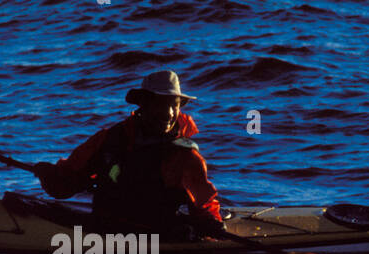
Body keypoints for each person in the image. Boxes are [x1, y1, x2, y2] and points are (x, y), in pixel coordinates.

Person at [32, 70, 226, 239]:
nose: (168, 113)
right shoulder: (108, 139)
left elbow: (204, 205)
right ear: (143, 105)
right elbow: (66, 184)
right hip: (104, 231)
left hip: (156, 240)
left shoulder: (185, 157)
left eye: (174, 105)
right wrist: (49, 174)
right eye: (160, 104)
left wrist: (212, 226)